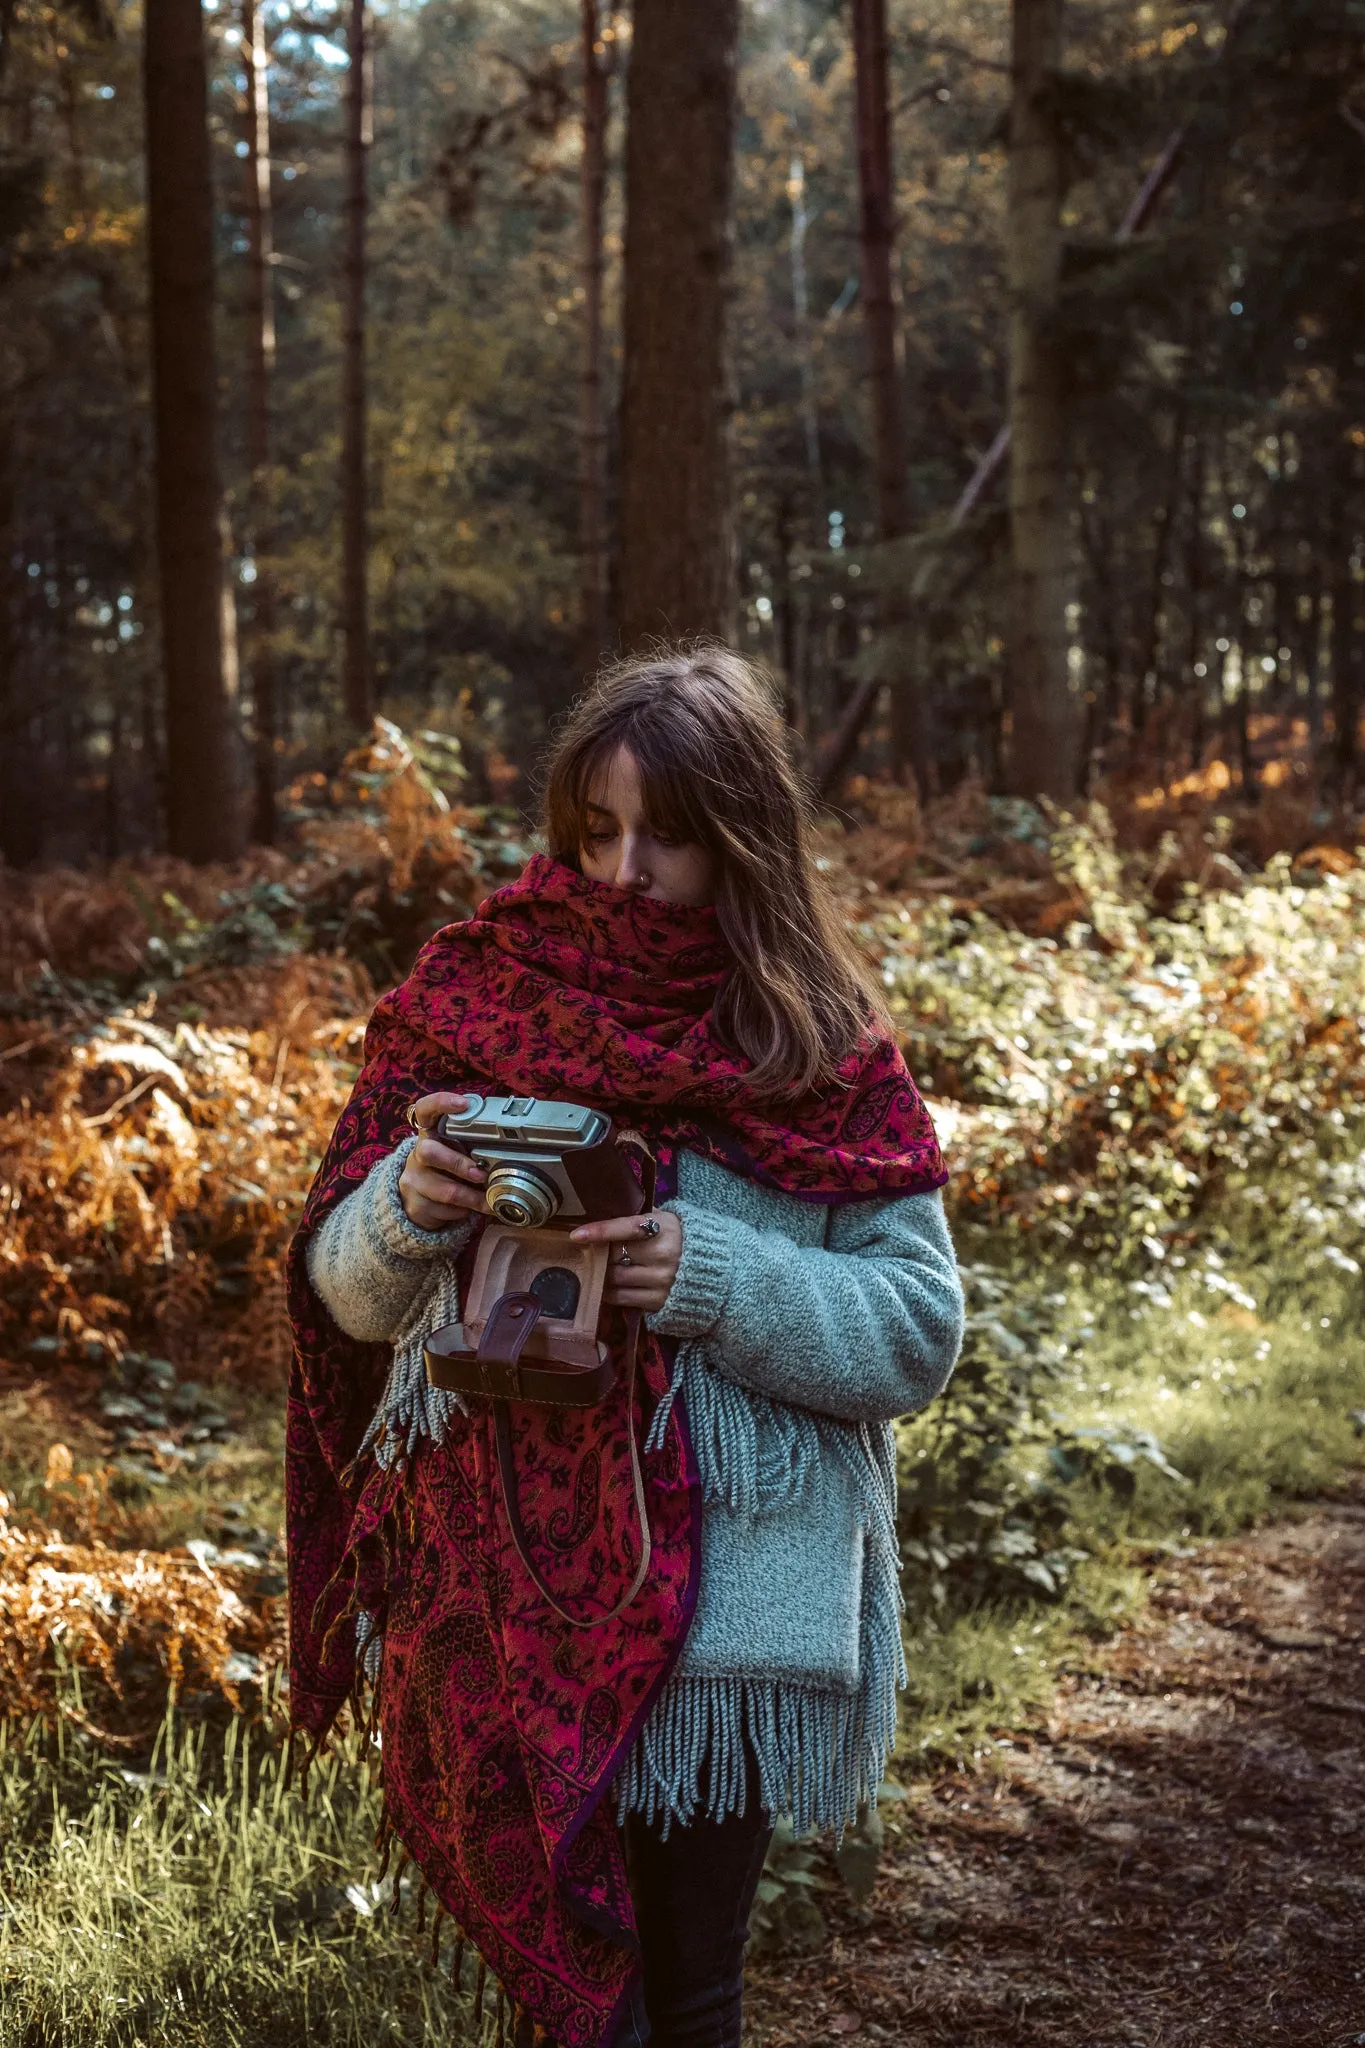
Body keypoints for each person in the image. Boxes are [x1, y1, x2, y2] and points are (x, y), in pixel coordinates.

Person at [286, 645, 964, 2048]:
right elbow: (345, 1307)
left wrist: (710, 1275)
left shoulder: (820, 1045)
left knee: (684, 1992)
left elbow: (915, 1330)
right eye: (596, 829)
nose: (623, 869)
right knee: (563, 2007)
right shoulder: (479, 1001)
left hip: (729, 1616)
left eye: (668, 834)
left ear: (743, 838)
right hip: (504, 1609)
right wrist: (403, 1214)